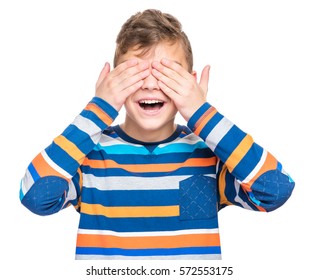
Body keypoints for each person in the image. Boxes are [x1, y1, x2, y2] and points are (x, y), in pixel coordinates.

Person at [19, 9, 295, 260]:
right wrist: (98, 109)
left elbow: (274, 190)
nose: (151, 84)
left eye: (168, 74)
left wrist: (200, 111)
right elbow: (35, 196)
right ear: (113, 80)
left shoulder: (210, 157)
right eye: (135, 73)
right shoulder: (87, 158)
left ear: (191, 81)